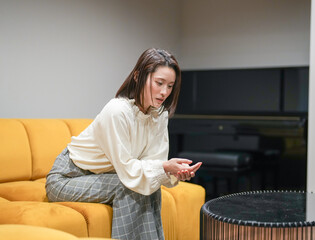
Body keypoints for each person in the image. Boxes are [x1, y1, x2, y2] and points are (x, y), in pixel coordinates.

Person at [45, 48, 202, 240]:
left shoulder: (159, 115)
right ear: (138, 76)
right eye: (159, 83)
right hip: (66, 178)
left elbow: (152, 164)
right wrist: (164, 167)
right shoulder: (117, 111)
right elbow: (129, 171)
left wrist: (170, 170)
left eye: (170, 86)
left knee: (148, 187)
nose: (164, 92)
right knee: (131, 187)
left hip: (106, 176)